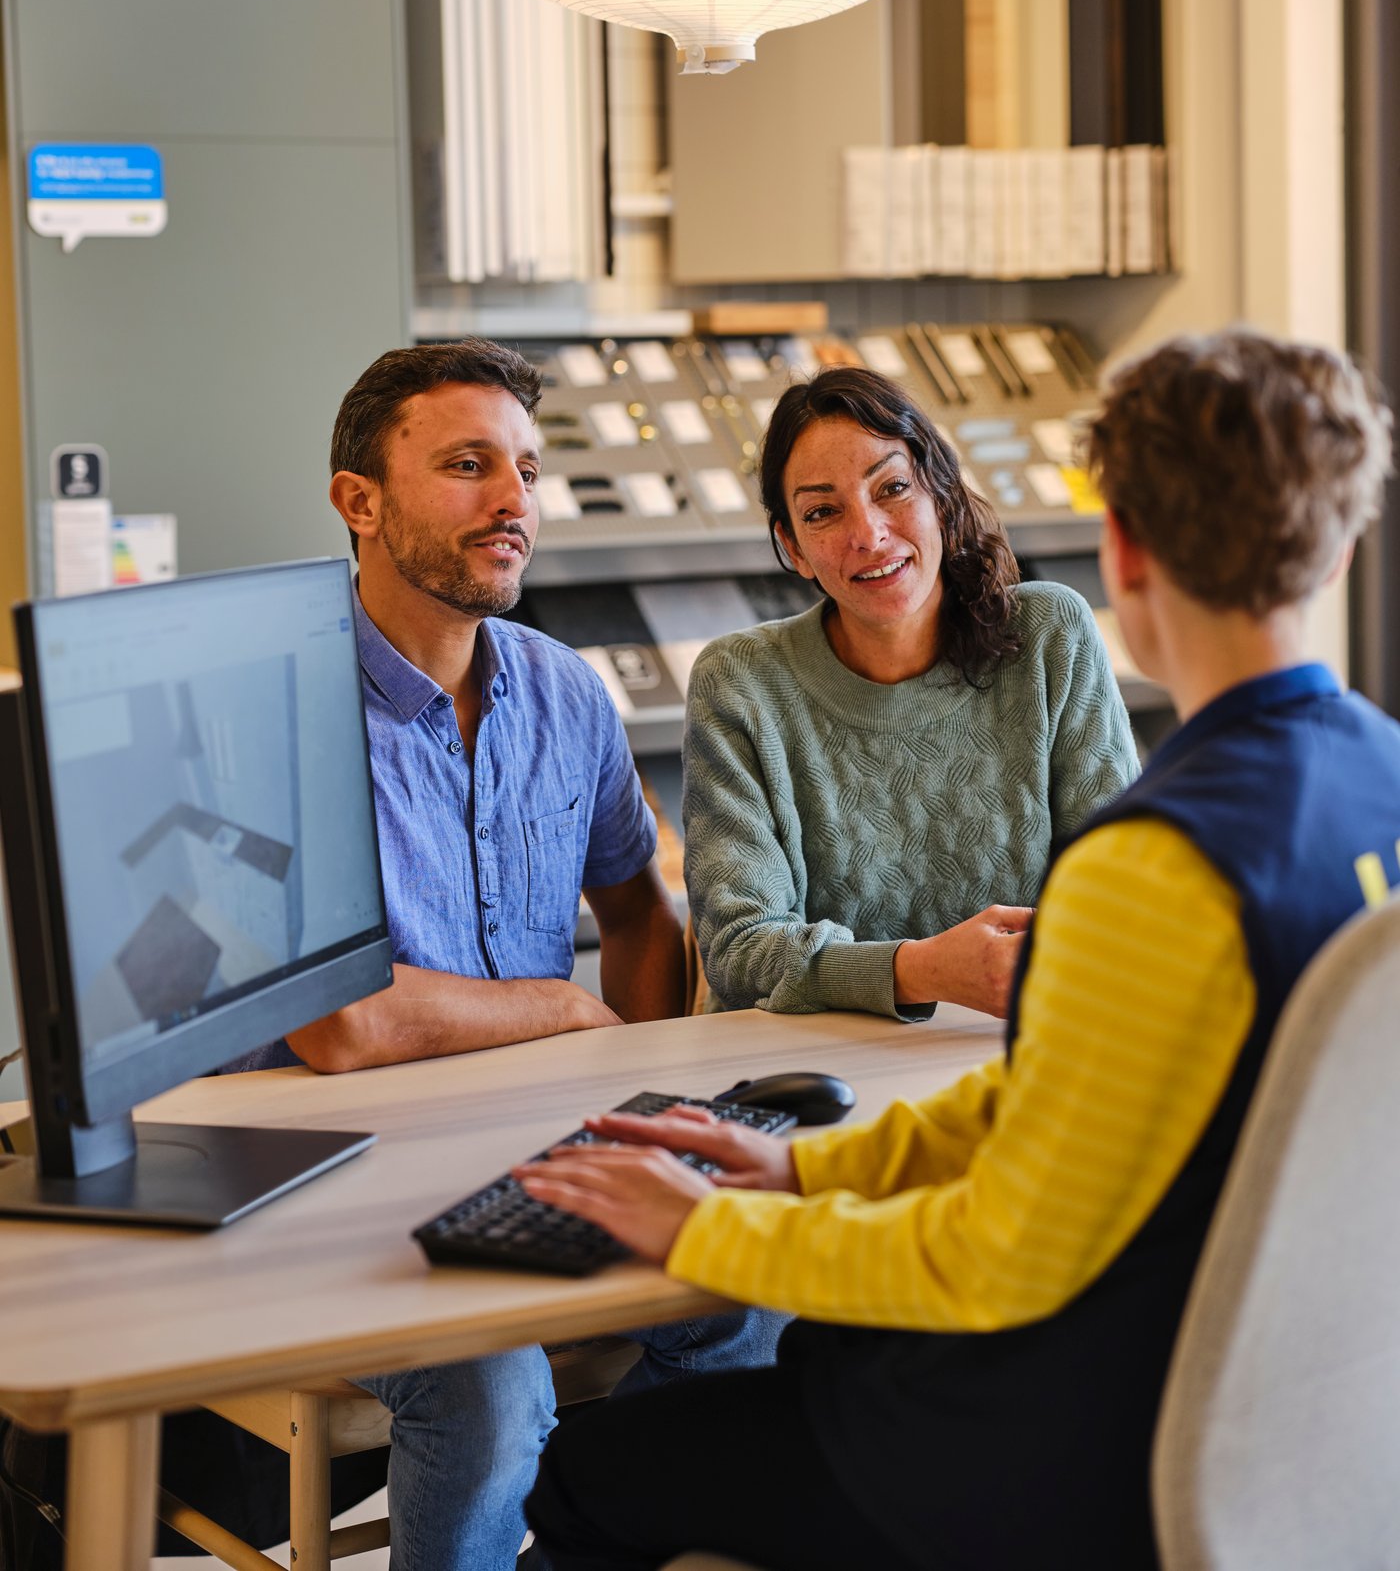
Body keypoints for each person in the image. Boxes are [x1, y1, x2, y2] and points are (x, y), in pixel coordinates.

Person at [518, 330, 1400, 1571]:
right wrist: (806, 1177)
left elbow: (991, 1255)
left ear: (1124, 549)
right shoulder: (1384, 788)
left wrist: (702, 1231)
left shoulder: (1150, 867)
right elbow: (1059, 1095)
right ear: (1339, 540)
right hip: (1294, 1424)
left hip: (1072, 1447)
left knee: (592, 1470)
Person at [229, 340, 781, 1571]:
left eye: (526, 470)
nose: (513, 502)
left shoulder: (561, 692)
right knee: (486, 1393)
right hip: (328, 1184)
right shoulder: (279, 705)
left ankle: (573, 1545)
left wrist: (639, 1103)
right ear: (356, 501)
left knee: (760, 1298)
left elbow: (640, 915)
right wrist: (565, 1016)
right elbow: (342, 1024)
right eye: (468, 466)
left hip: (530, 1153)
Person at [684, 365, 1137, 1020]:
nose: (867, 534)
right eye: (822, 512)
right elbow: (738, 949)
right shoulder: (740, 684)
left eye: (891, 488)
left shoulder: (1050, 637)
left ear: (942, 495)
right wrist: (923, 972)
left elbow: (1119, 892)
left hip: (1013, 1053)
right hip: (807, 1072)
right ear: (794, 548)